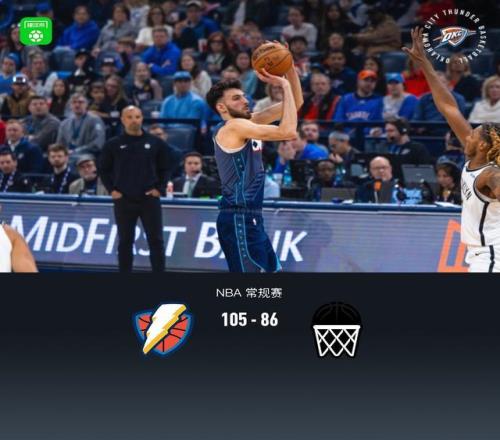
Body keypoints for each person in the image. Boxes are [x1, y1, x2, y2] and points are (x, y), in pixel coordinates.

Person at [404, 27, 500, 272]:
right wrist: (425, 64)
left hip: (492, 258)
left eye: (474, 133)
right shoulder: (477, 156)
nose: (467, 135)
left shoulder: (492, 175)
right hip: (479, 255)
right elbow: (448, 107)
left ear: (483, 145)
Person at [206, 62, 303, 272]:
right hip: (238, 216)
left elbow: (295, 103)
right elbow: (288, 132)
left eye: (244, 96)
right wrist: (284, 85)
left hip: (250, 216)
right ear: (221, 107)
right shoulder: (234, 127)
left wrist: (289, 67)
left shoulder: (249, 122)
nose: (245, 100)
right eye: (236, 98)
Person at [99, 106, 169, 272]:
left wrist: (159, 188)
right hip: (124, 199)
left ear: (142, 119)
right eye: (130, 117)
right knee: (125, 241)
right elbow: (103, 169)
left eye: (137, 117)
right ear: (122, 120)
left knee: (156, 240)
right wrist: (112, 190)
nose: (134, 120)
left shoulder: (155, 142)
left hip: (149, 199)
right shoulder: (113, 144)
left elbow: (166, 167)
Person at [333, 69, 384, 138]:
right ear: (358, 81)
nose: (369, 83)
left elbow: (379, 125)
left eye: (372, 81)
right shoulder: (345, 99)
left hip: (368, 138)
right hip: (346, 137)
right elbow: (338, 121)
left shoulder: (379, 101)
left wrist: (370, 131)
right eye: (366, 80)